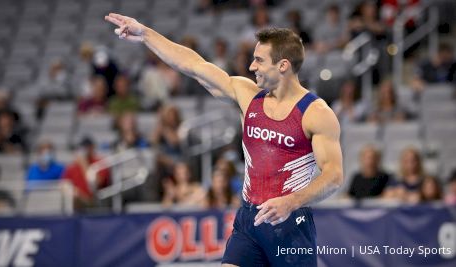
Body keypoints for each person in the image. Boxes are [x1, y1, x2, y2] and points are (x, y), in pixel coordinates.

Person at [105, 13, 343, 267]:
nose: (252, 67)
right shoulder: (248, 96)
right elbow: (194, 65)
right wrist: (145, 34)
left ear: (282, 65)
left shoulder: (316, 114)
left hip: (291, 227)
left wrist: (291, 202)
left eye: (259, 60)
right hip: (249, 223)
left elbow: (334, 176)